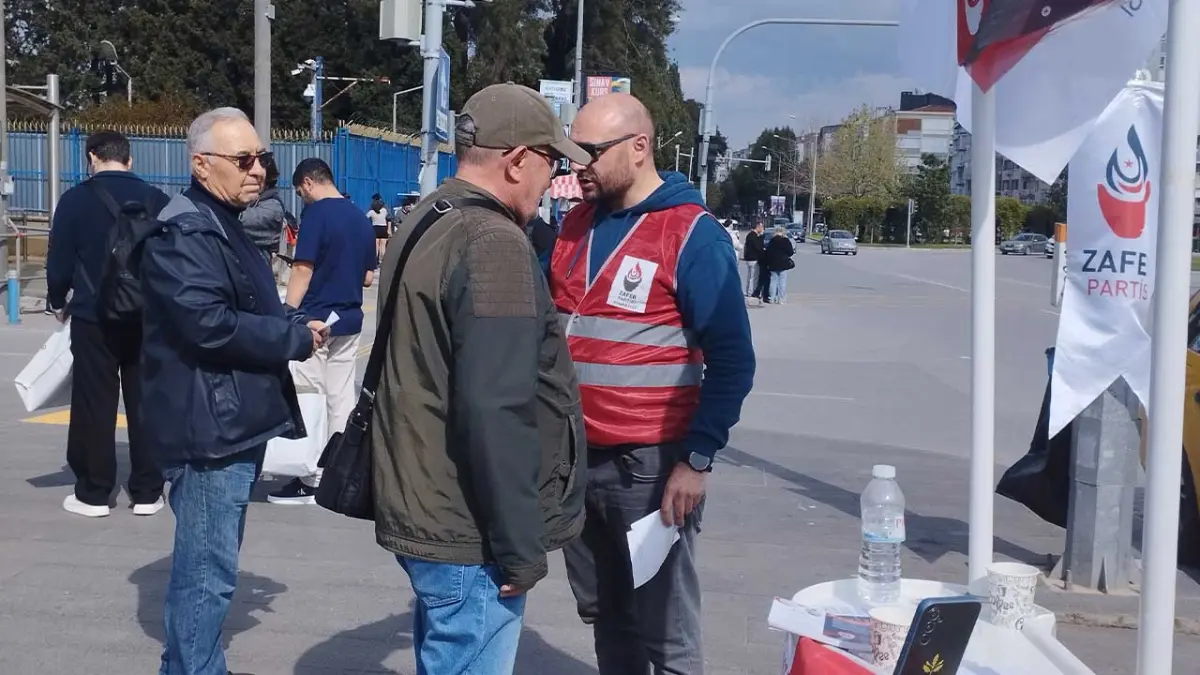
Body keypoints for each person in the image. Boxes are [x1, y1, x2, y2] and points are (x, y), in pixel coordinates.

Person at [373, 83, 590, 675]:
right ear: (517, 160)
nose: (554, 179)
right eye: (551, 162)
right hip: (470, 524)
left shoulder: (428, 216)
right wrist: (520, 548)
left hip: (429, 500)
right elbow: (497, 405)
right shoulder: (495, 242)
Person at [551, 92, 755, 675]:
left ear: (639, 147)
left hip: (650, 468)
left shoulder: (691, 234)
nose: (578, 165)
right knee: (608, 617)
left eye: (590, 151)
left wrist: (696, 460)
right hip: (576, 459)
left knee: (666, 633)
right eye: (571, 153)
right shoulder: (575, 225)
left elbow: (734, 361)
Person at [134, 107, 326, 675]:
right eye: (243, 160)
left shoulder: (221, 220)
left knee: (211, 567)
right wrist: (290, 338)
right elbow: (208, 325)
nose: (258, 170)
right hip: (209, 431)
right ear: (201, 165)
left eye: (262, 158)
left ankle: (189, 664)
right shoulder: (187, 230)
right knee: (206, 574)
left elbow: (237, 307)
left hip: (226, 420)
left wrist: (290, 325)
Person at [45, 130, 170, 518]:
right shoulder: (158, 199)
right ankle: (148, 492)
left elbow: (59, 262)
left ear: (92, 158)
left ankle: (95, 493)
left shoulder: (75, 200)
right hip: (147, 317)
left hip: (93, 315)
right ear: (130, 160)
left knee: (94, 402)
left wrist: (57, 300)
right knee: (146, 400)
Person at [269, 158, 377, 504]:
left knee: (309, 394)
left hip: (315, 320)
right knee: (340, 397)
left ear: (307, 183)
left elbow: (303, 268)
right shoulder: (360, 218)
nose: (302, 197)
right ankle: (337, 473)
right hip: (349, 319)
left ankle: (309, 476)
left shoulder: (316, 215)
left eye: (300, 191)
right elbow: (368, 277)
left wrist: (288, 311)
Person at [239, 154, 288, 262]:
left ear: (267, 180)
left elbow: (236, 220)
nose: (248, 181)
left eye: (255, 177)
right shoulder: (246, 202)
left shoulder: (272, 208)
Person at [764, 225, 796, 305]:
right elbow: (791, 252)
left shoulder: (772, 241)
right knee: (782, 282)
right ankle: (781, 299)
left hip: (773, 263)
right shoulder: (786, 241)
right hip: (783, 263)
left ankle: (772, 298)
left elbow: (768, 252)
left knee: (773, 281)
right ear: (783, 232)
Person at [742, 220, 765, 300]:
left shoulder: (749, 235)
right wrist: (761, 236)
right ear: (758, 227)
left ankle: (748, 290)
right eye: (761, 227)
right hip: (753, 258)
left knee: (750, 276)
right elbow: (758, 247)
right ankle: (751, 292)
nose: (762, 229)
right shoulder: (754, 236)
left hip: (749, 258)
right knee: (753, 276)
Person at [368, 192, 390, 262]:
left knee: (376, 245)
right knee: (383, 245)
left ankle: (375, 260)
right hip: (383, 228)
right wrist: (389, 229)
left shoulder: (371, 210)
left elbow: (365, 218)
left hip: (375, 228)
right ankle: (381, 260)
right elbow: (389, 218)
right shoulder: (384, 209)